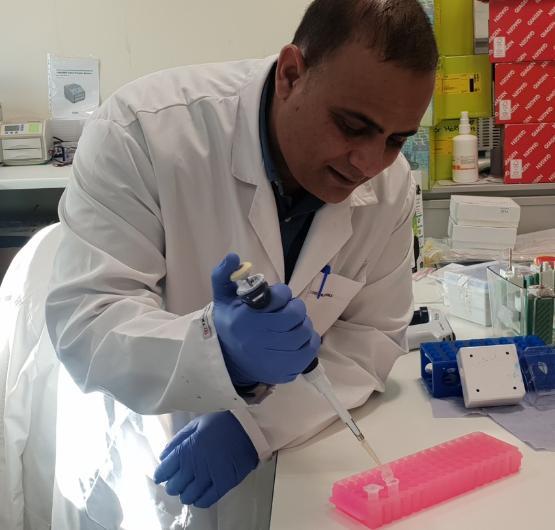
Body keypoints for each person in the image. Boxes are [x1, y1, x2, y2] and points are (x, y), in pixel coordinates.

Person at [45, 0, 437, 528]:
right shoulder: (143, 131)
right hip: (151, 447)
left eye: (396, 140)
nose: (370, 164)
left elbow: (370, 340)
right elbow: (87, 322)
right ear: (292, 74)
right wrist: (216, 350)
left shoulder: (390, 189)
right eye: (351, 126)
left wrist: (258, 427)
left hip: (298, 461)